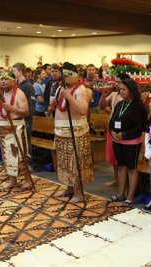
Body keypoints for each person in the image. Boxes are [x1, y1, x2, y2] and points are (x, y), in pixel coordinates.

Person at [52, 62, 93, 203]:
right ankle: (69, 187)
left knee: (75, 164)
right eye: (64, 75)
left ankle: (78, 193)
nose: (65, 78)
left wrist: (69, 97)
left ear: (76, 76)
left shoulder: (81, 89)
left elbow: (83, 110)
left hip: (76, 132)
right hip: (62, 132)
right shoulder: (62, 88)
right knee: (64, 163)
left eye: (68, 75)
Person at [108, 78, 147, 204]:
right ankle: (120, 194)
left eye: (124, 89)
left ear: (131, 90)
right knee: (121, 167)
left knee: (131, 168)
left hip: (132, 142)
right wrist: (112, 131)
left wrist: (124, 135)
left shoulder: (139, 106)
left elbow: (141, 126)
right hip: (117, 141)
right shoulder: (120, 104)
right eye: (120, 89)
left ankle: (130, 196)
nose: (121, 91)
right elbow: (112, 120)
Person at [0, 72, 32, 191]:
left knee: (20, 155)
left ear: (13, 81)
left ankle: (28, 181)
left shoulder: (19, 93)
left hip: (16, 128)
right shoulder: (1, 94)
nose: (3, 81)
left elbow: (25, 112)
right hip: (2, 128)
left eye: (6, 79)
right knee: (7, 156)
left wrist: (12, 109)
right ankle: (13, 181)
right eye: (2, 79)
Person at [99, 73, 130, 187]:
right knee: (113, 157)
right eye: (115, 82)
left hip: (123, 131)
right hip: (112, 129)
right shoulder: (113, 94)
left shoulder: (128, 95)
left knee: (122, 157)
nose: (116, 84)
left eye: (118, 82)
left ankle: (124, 181)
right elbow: (102, 106)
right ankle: (116, 179)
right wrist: (103, 95)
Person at [13, 63, 36, 170]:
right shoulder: (16, 85)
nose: (13, 73)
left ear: (20, 72)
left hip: (25, 118)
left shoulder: (28, 86)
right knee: (18, 141)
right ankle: (19, 161)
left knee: (26, 141)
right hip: (16, 118)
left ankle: (29, 163)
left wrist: (26, 118)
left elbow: (31, 106)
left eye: (14, 71)